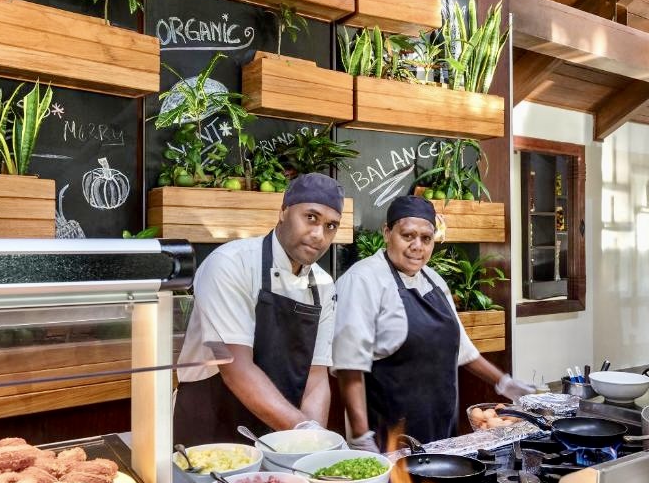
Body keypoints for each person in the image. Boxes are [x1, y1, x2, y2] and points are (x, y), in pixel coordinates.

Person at [332, 195, 535, 452]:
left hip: (442, 429)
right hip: (389, 435)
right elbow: (349, 365)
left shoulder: (434, 280)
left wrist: (505, 383)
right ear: (387, 233)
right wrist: (361, 436)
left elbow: (463, 350)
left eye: (426, 238)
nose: (417, 246)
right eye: (407, 235)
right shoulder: (362, 279)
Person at [174, 173, 344, 445]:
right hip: (212, 428)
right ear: (283, 211)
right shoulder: (230, 264)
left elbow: (316, 376)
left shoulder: (323, 285)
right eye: (311, 217)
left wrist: (311, 446)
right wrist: (304, 432)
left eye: (331, 226)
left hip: (281, 431)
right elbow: (235, 368)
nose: (318, 235)